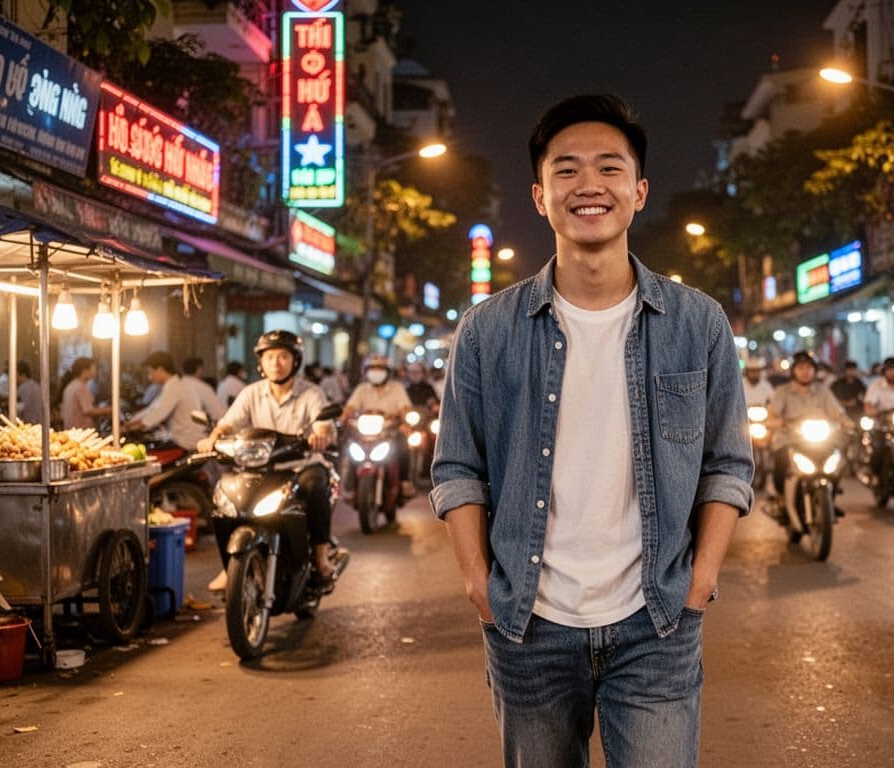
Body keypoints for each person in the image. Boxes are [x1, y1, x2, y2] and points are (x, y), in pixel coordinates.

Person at [431, 93, 752, 768]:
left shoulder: (698, 324)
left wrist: (703, 577)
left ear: (637, 192)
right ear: (541, 196)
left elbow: (728, 463)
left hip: (658, 623)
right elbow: (458, 466)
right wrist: (476, 580)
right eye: (567, 169)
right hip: (527, 625)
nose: (589, 185)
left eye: (609, 168)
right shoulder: (487, 330)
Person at [197, 331, 339, 590]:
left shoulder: (311, 393)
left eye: (283, 356)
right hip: (259, 467)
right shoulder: (251, 393)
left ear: (295, 361)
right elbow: (229, 423)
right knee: (225, 494)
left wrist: (320, 435)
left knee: (316, 484)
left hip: (300, 466)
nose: (276, 363)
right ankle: (229, 567)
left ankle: (320, 556)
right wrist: (214, 437)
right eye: (269, 357)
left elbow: (323, 425)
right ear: (260, 363)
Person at [768, 351, 847, 495]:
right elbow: (771, 415)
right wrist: (777, 422)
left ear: (815, 371)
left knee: (838, 459)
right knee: (781, 460)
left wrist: (846, 422)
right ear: (793, 371)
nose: (805, 372)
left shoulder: (823, 391)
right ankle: (780, 494)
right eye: (801, 368)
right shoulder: (782, 392)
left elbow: (838, 413)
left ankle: (830, 493)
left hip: (820, 440)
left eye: (809, 368)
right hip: (790, 439)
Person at [344, 354, 415, 499]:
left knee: (402, 445)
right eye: (372, 369)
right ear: (366, 371)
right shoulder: (362, 389)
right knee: (352, 447)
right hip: (365, 432)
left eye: (380, 369)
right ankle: (351, 483)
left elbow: (405, 408)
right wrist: (343, 418)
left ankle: (404, 481)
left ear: (388, 372)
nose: (376, 372)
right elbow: (349, 408)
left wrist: (406, 421)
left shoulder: (397, 388)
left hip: (389, 432)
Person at [121, 352, 206, 451]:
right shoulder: (174, 383)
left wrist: (126, 428)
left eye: (150, 372)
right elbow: (151, 409)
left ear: (160, 370)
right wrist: (129, 424)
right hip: (180, 438)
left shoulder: (174, 387)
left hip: (185, 442)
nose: (150, 377)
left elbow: (156, 416)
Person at [60, 358, 111, 429]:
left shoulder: (72, 385)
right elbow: (88, 410)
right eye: (93, 368)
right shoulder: (80, 387)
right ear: (85, 370)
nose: (95, 372)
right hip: (81, 430)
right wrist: (110, 409)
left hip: (71, 429)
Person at [182, 357, 227, 423]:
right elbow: (217, 414)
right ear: (199, 369)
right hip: (197, 429)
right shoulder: (203, 388)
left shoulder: (176, 385)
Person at [14, 361, 46, 426]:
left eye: (16, 375)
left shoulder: (22, 388)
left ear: (22, 374)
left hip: (28, 424)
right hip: (40, 423)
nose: (14, 378)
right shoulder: (37, 386)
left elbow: (20, 408)